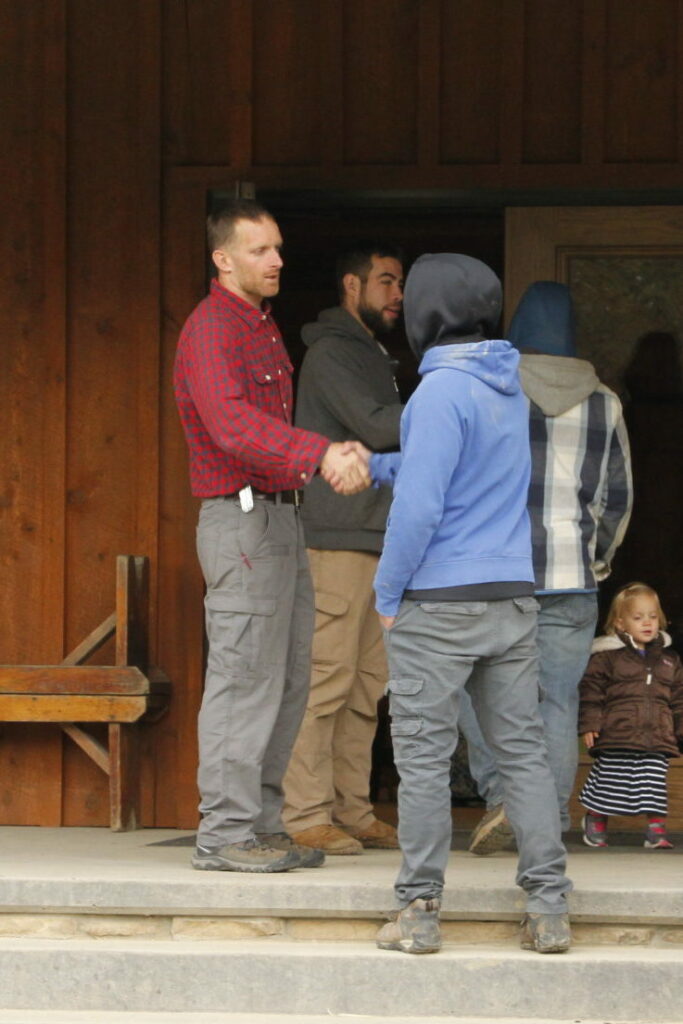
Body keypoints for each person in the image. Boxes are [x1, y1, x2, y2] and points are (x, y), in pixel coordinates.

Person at [370, 254, 573, 956]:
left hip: (437, 602)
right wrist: (373, 464)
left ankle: (419, 910)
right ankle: (548, 907)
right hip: (511, 594)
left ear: (427, 313)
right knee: (521, 753)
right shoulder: (505, 387)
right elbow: (458, 471)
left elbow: (423, 505)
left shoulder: (434, 396)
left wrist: (386, 592)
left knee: (423, 760)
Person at [173, 199, 370, 873]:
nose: (277, 260)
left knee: (285, 678)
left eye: (278, 247)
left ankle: (258, 824)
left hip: (281, 516)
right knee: (244, 678)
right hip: (243, 520)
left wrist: (314, 464)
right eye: (260, 250)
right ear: (222, 259)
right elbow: (229, 426)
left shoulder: (259, 325)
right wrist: (320, 454)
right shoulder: (210, 330)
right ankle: (224, 834)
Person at [462, 281, 633, 855]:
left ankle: (501, 802)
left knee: (481, 691)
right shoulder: (604, 401)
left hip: (496, 573)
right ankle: (549, 817)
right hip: (570, 579)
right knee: (556, 700)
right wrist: (596, 560)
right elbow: (618, 498)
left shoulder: (491, 389)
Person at [282, 246, 404, 855]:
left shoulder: (373, 354)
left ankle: (352, 809)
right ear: (350, 284)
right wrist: (443, 412)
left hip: (376, 539)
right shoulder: (332, 351)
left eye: (400, 282)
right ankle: (305, 814)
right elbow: (379, 426)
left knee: (366, 685)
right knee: (327, 679)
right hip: (335, 539)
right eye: (386, 280)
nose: (397, 293)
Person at [578, 582, 683, 850]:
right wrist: (590, 723)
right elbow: (592, 693)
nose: (647, 623)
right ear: (621, 624)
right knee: (610, 780)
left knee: (653, 783)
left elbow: (679, 699)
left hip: (656, 734)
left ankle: (656, 831)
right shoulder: (607, 658)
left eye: (652, 616)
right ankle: (596, 818)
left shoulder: (670, 660)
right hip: (616, 731)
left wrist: (679, 729)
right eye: (638, 618)